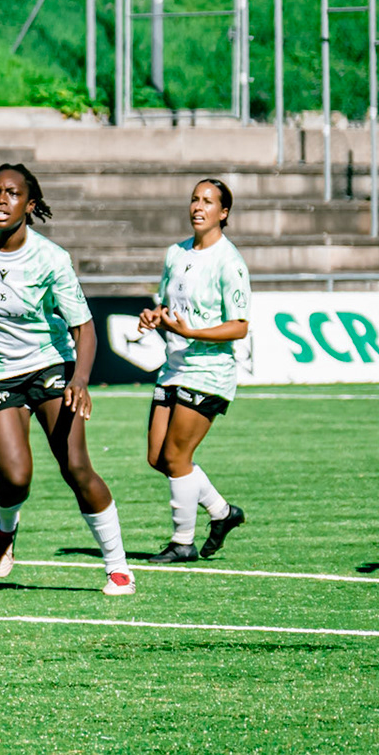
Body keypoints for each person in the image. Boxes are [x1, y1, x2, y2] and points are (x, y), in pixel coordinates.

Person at [0, 164, 135, 596]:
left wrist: (80, 379)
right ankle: (5, 526)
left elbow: (84, 327)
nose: (1, 199)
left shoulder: (51, 258)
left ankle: (118, 568)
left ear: (30, 205)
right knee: (16, 476)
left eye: (12, 193)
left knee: (76, 467)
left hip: (49, 363)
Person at [140, 178, 251, 562]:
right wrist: (155, 316)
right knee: (158, 458)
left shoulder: (229, 262)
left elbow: (239, 326)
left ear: (223, 212)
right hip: (174, 367)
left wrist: (192, 333)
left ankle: (182, 542)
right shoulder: (176, 253)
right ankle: (222, 512)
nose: (198, 207)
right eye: (194, 199)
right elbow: (167, 305)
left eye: (208, 201)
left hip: (208, 370)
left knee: (176, 457)